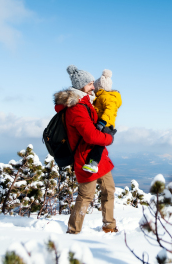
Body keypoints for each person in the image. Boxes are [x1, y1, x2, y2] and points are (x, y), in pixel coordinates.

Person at [53, 65, 118, 234]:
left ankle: (109, 226)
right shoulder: (76, 108)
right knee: (86, 195)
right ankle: (73, 230)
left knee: (108, 190)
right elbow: (90, 135)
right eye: (90, 84)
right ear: (82, 86)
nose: (93, 87)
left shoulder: (85, 103)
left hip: (98, 156)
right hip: (86, 158)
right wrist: (109, 138)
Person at [83, 69, 122, 174]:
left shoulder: (108, 97)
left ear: (99, 87)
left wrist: (102, 122)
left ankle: (93, 164)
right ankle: (93, 163)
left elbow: (110, 111)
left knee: (99, 144)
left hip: (105, 125)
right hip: (103, 124)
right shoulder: (101, 97)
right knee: (97, 144)